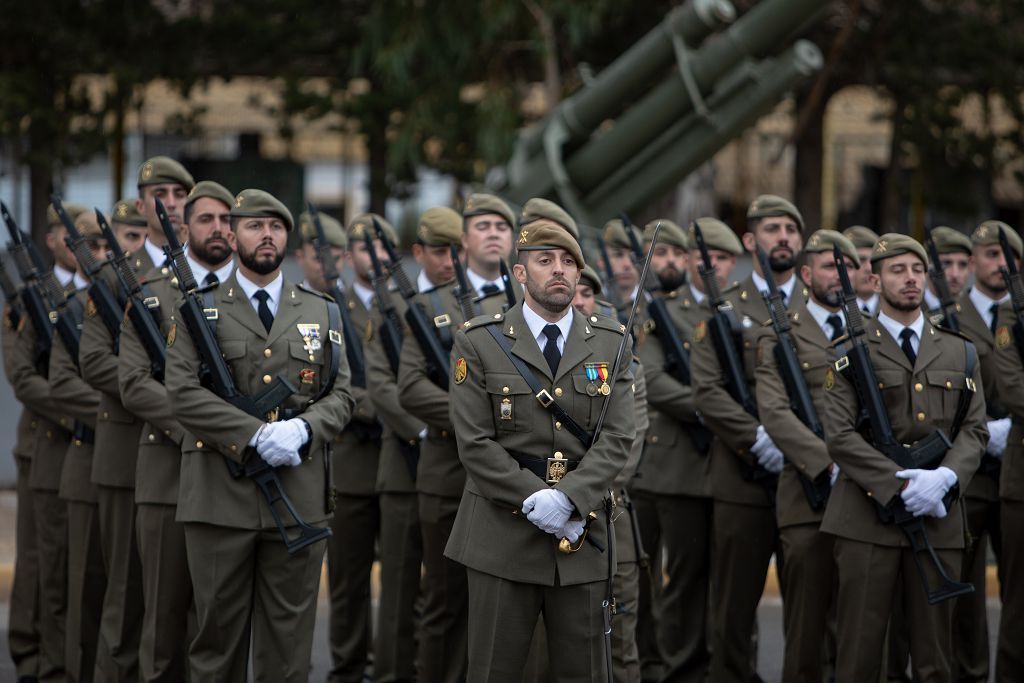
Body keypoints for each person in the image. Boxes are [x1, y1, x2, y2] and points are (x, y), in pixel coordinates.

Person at [165, 188, 354, 681]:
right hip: (219, 498)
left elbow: (343, 392)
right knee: (216, 645)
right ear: (232, 234)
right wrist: (251, 434)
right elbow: (182, 392)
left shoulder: (321, 310)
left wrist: (303, 429)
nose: (267, 234)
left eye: (276, 226)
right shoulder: (198, 308)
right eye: (254, 225)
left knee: (288, 650)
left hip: (298, 498)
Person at [446, 220, 635, 681]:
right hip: (501, 534)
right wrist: (535, 498)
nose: (559, 271)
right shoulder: (480, 339)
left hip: (581, 533)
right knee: (495, 670)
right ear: (519, 272)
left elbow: (618, 437)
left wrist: (568, 498)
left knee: (585, 673)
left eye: (569, 262)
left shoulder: (611, 342)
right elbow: (474, 441)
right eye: (545, 260)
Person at [822, 233, 986, 681]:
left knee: (935, 659)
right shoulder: (847, 353)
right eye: (897, 270)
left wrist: (945, 480)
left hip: (938, 517)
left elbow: (975, 429)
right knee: (860, 656)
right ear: (873, 281)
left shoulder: (960, 350)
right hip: (866, 520)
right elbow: (838, 435)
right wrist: (900, 483)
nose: (910, 279)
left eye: (917, 270)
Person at [81, 156, 194, 681]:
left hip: (192, 463)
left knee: (181, 604)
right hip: (130, 450)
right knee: (125, 601)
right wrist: (169, 400)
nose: (170, 202)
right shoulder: (116, 274)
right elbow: (97, 360)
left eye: (178, 194)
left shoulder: (198, 271)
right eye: (160, 193)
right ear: (143, 201)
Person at [117, 180, 235, 682]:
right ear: (185, 227)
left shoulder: (249, 300)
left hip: (232, 481)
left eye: (229, 220)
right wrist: (197, 426)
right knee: (163, 628)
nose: (219, 229)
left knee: (218, 626)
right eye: (207, 219)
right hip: (168, 475)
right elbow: (134, 384)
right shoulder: (152, 296)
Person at [397, 193, 512, 683]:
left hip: (514, 480)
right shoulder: (430, 305)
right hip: (448, 474)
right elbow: (410, 386)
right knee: (444, 601)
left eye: (501, 226)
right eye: (481, 225)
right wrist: (474, 421)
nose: (492, 232)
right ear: (463, 241)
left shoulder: (530, 305)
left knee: (506, 608)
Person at [691, 196, 805, 683]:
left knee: (811, 609)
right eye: (772, 228)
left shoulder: (818, 306)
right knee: (733, 611)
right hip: (741, 476)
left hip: (807, 477)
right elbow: (707, 391)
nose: (783, 237)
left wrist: (800, 446)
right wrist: (758, 438)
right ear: (750, 240)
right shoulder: (726, 307)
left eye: (791, 229)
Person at [633, 217, 742, 683]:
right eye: (706, 258)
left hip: (736, 462)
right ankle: (677, 669)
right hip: (680, 462)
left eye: (721, 258)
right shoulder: (660, 308)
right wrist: (712, 409)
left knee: (730, 583)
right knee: (680, 579)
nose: (711, 265)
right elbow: (652, 380)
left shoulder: (741, 311)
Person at [755, 229, 860, 683]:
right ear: (804, 273)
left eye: (847, 266)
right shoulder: (781, 333)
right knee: (806, 628)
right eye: (828, 265)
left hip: (863, 497)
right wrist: (828, 463)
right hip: (806, 496)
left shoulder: (867, 332)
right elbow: (775, 413)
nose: (839, 274)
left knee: (855, 627)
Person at [8, 200, 90, 682]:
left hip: (90, 446)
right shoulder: (31, 298)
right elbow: (23, 376)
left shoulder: (103, 294)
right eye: (63, 233)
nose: (71, 243)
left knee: (78, 566)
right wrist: (78, 412)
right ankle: (31, 656)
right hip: (46, 442)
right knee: (40, 561)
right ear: (52, 240)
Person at [49, 209, 109, 683]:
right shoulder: (72, 306)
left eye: (112, 246)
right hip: (86, 456)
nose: (105, 256)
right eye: (96, 246)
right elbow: (58, 386)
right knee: (80, 592)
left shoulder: (128, 300)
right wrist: (121, 410)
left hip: (130, 464)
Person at [842, 225, 879, 316]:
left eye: (873, 261)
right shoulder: (833, 311)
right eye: (860, 261)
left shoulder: (894, 309)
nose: (869, 268)